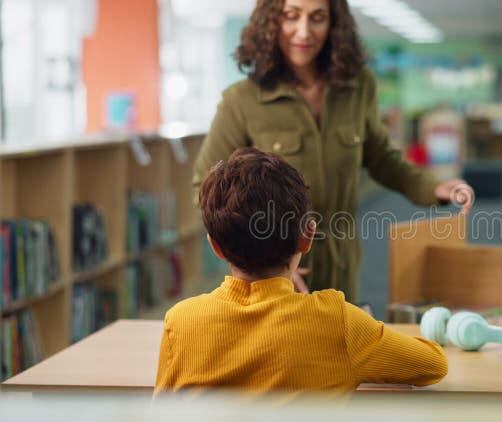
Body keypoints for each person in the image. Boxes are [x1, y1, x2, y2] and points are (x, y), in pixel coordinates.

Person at [192, 0, 473, 302]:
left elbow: (380, 157)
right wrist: (261, 265)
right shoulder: (242, 100)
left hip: (342, 260)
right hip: (275, 273)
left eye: (317, 18)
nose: (304, 31)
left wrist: (434, 187)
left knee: (341, 342)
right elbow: (206, 186)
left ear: (333, 25)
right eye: (291, 16)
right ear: (271, 22)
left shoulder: (358, 87)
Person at [155, 148, 448, 396]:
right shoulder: (338, 322)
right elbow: (433, 364)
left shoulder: (180, 323)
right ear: (307, 236)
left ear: (215, 246)